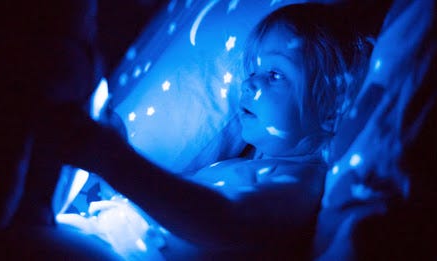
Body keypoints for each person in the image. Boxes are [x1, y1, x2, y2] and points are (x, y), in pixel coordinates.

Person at [55, 3, 372, 259]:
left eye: (274, 74)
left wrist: (117, 162)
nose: (249, 83)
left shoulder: (304, 184)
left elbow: (226, 222)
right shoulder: (246, 164)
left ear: (332, 108)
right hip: (103, 235)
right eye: (252, 70)